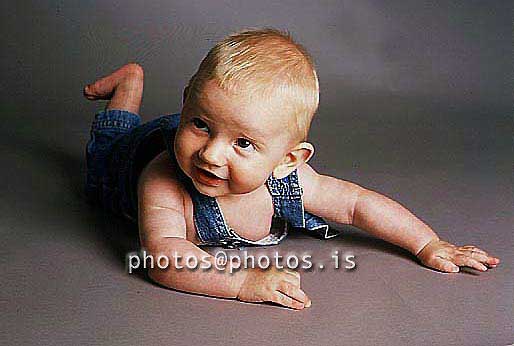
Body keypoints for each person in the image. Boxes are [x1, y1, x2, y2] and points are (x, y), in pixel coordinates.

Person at [83, 28, 500, 310]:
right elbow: (164, 257)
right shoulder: (163, 180)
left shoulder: (290, 180)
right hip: (130, 157)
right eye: (200, 123)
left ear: (288, 160)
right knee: (111, 144)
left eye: (243, 143)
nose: (211, 155)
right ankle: (129, 87)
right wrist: (242, 283)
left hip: (202, 135)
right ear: (188, 99)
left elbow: (357, 205)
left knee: (212, 130)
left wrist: (428, 244)